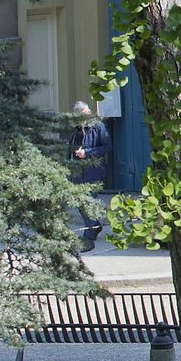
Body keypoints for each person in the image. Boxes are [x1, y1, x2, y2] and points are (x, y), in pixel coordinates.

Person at [68, 102, 110, 251]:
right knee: (80, 203)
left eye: (88, 112)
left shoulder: (98, 126)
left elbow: (106, 147)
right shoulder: (74, 128)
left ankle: (89, 238)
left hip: (93, 171)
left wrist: (87, 153)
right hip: (77, 171)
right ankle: (96, 225)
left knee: (87, 203)